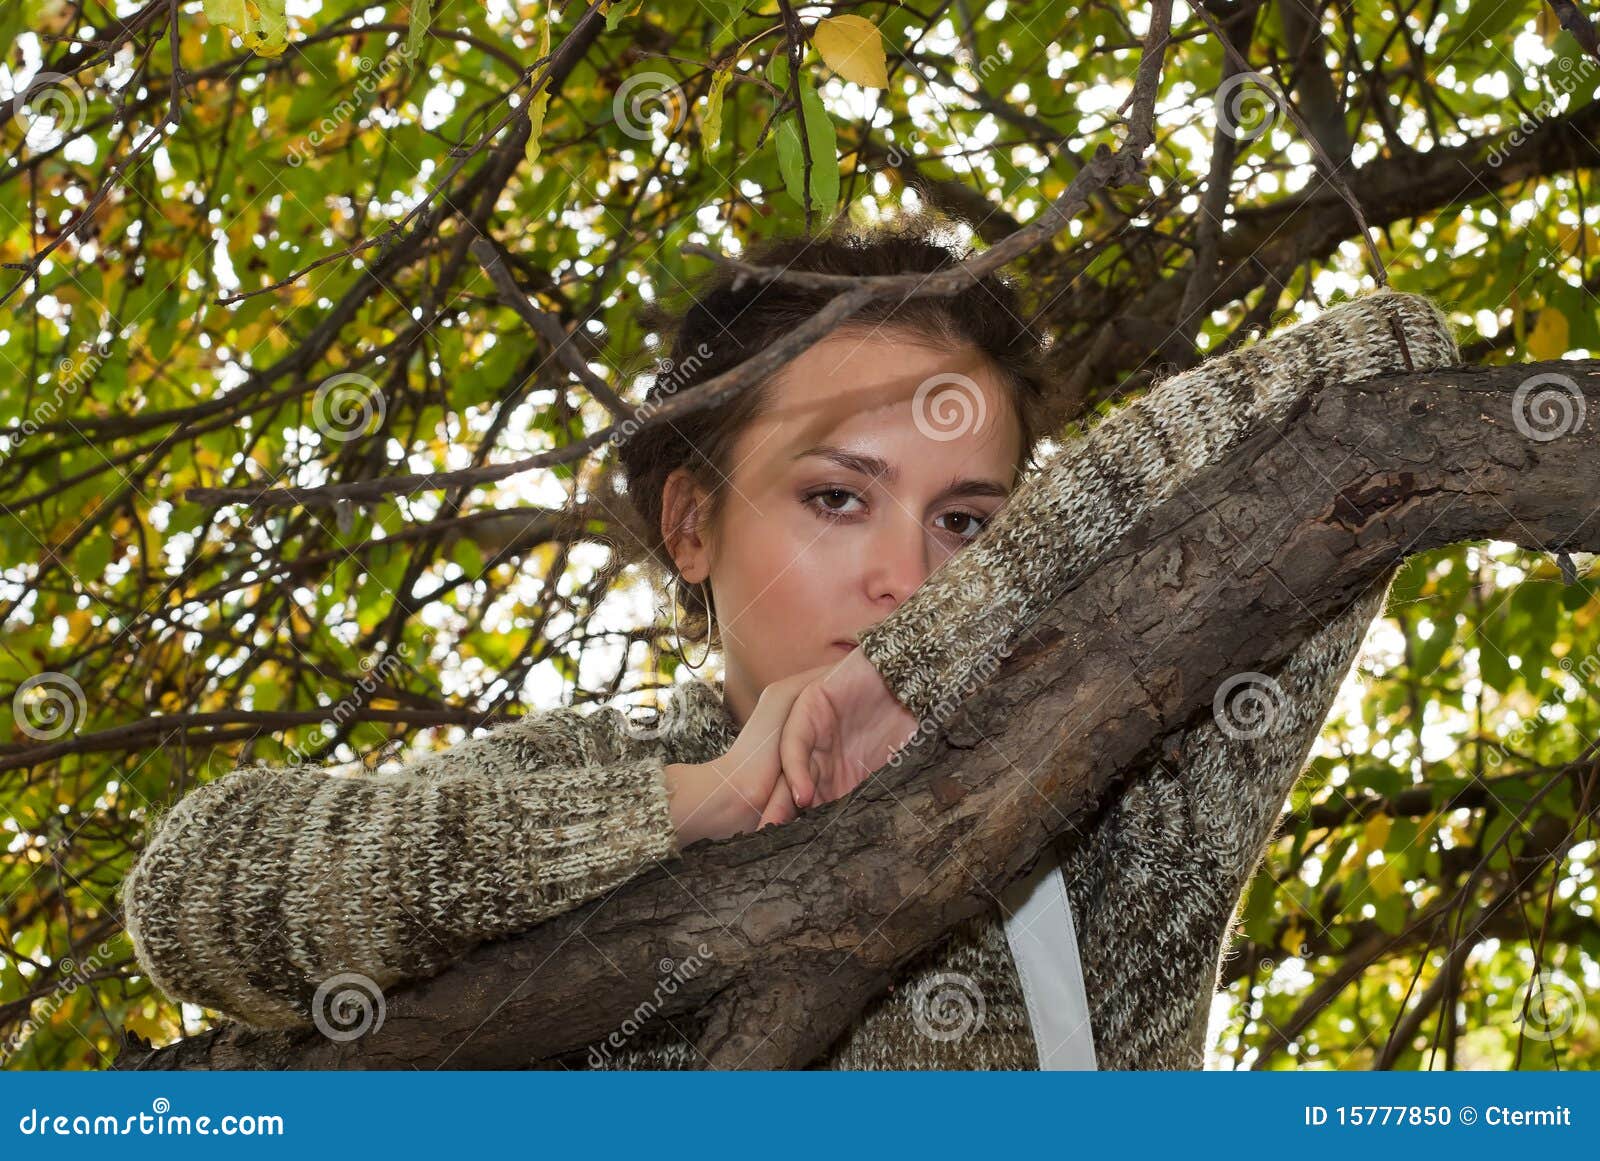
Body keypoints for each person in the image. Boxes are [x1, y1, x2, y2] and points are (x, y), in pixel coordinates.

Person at [118, 210, 1460, 1068]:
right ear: (691, 525)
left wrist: (919, 667)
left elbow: (1389, 369)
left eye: (970, 522)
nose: (903, 575)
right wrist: (685, 811)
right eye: (836, 496)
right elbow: (193, 894)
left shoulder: (1115, 826)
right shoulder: (595, 784)